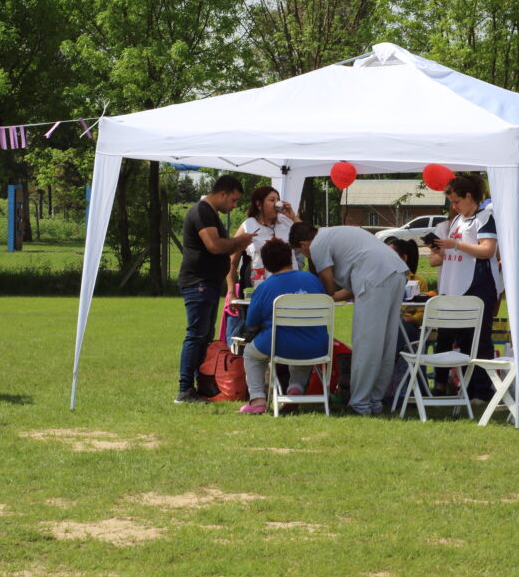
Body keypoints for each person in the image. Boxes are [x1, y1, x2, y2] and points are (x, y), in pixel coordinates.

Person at [290, 222, 408, 416]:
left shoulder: (317, 245)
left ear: (303, 244)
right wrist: (332, 298)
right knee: (386, 343)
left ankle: (360, 403)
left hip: (375, 277)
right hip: (395, 271)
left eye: (301, 252)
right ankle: (374, 401)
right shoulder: (332, 234)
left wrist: (320, 296)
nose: (306, 256)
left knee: (366, 343)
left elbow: (328, 285)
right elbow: (350, 289)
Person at [175, 175, 255, 404]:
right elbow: (214, 245)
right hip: (198, 283)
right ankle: (184, 389)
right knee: (196, 335)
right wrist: (239, 242)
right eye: (234, 200)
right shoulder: (202, 212)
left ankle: (201, 385)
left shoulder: (209, 213)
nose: (234, 205)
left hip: (207, 284)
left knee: (204, 336)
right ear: (222, 194)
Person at [427, 174, 497, 399]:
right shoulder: (457, 220)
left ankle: (482, 392)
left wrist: (456, 244)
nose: (454, 207)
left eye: (456, 201)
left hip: (478, 286)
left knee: (478, 341)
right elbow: (453, 252)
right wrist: (440, 249)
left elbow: (488, 250)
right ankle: (465, 389)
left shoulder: (485, 217)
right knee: (457, 339)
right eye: (451, 202)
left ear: (469, 196)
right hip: (454, 287)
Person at [238, 239, 328, 414]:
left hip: (280, 344)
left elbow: (252, 324)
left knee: (251, 354)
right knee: (302, 342)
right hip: (316, 345)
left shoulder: (265, 287)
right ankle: (296, 388)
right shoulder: (313, 280)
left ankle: (257, 399)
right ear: (290, 257)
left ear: (267, 264)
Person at [227, 186, 300, 296]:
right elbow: (232, 262)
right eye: (272, 200)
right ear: (259, 204)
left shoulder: (286, 222)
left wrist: (293, 217)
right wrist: (232, 293)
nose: (276, 204)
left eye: (278, 200)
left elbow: (309, 239)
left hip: (289, 287)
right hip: (259, 288)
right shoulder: (248, 226)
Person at [387, 238, 427, 346]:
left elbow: (423, 313)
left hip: (407, 326)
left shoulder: (418, 282)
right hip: (386, 324)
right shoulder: (382, 280)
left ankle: (390, 356)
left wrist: (411, 319)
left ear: (404, 258)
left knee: (399, 327)